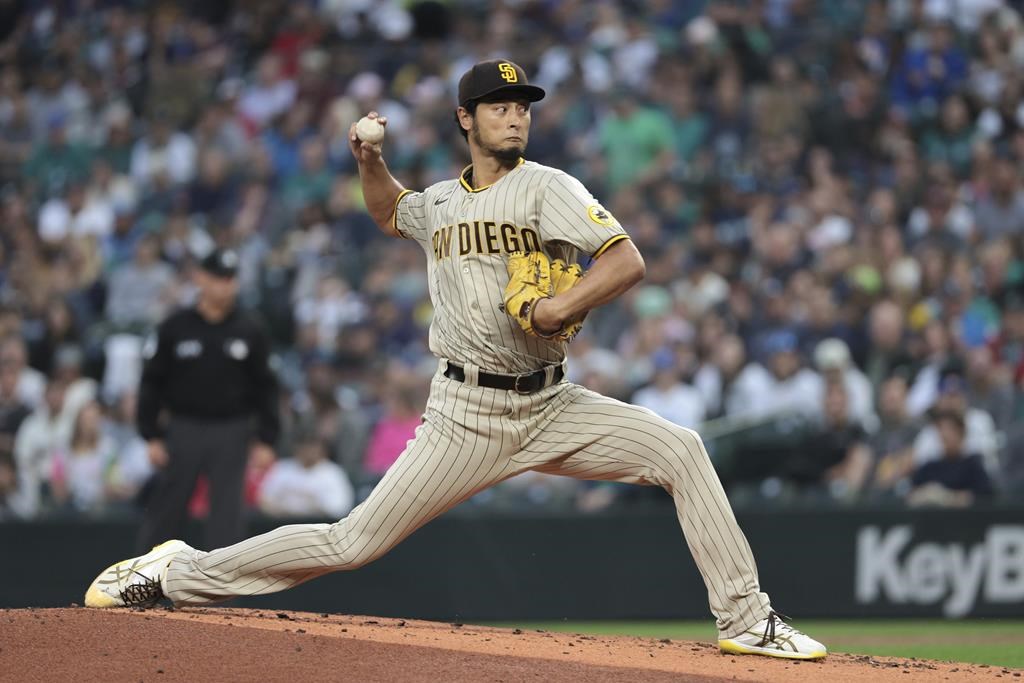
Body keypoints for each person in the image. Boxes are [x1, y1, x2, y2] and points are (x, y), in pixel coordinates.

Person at [85, 59, 826, 661]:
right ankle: (175, 572)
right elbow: (387, 211)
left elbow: (625, 259)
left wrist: (561, 308)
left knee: (681, 448)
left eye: (522, 104)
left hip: (553, 403)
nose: (515, 114)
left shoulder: (548, 187)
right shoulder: (439, 203)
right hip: (464, 415)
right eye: (499, 104)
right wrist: (369, 157)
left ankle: (745, 618)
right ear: (466, 120)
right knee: (350, 542)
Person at [134, 248, 280, 553]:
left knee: (227, 514)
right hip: (183, 426)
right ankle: (146, 586)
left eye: (230, 279)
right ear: (200, 278)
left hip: (232, 428)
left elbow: (266, 387)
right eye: (217, 278)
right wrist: (151, 435)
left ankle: (223, 594)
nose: (224, 286)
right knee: (168, 507)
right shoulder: (175, 327)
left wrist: (267, 438)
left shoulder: (250, 329)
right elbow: (152, 382)